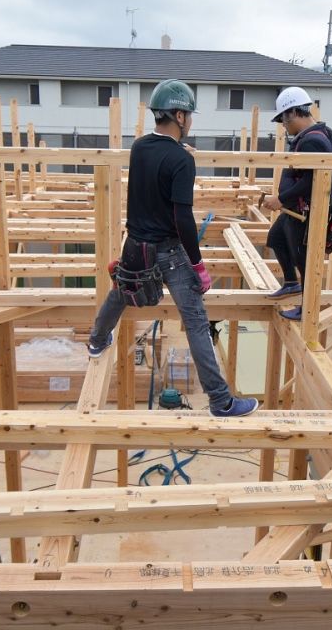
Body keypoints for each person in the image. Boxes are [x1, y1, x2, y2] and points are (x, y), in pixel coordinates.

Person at [85, 79, 258, 418]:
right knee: (195, 321)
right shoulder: (181, 161)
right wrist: (198, 264)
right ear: (179, 115)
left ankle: (96, 340)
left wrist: (183, 153)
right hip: (171, 252)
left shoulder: (139, 148)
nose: (190, 120)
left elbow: (159, 163)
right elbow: (182, 218)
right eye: (189, 115)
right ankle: (221, 401)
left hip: (136, 246)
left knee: (121, 291)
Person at [261, 87, 332, 321]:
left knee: (304, 258)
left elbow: (311, 181)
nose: (284, 126)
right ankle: (290, 283)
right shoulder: (314, 135)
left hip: (307, 210)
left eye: (284, 120)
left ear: (294, 112)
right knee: (275, 239)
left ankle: (308, 308)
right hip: (297, 208)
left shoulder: (312, 142)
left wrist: (281, 199)